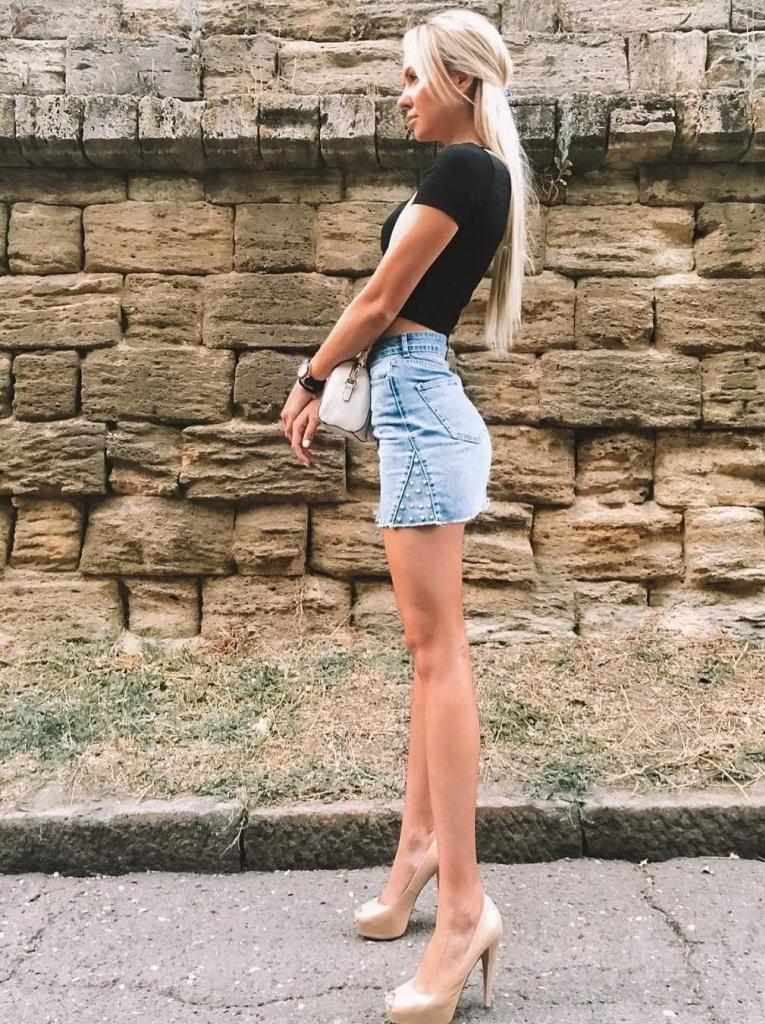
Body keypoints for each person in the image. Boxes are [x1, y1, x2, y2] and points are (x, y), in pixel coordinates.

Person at [280, 9, 537, 1022]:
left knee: (439, 655)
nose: (400, 95)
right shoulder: (473, 173)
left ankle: (463, 909)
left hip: (423, 417)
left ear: (459, 82)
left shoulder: (467, 171)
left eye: (410, 76)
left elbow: (382, 301)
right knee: (432, 651)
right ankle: (418, 854)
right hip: (418, 411)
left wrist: (310, 376)